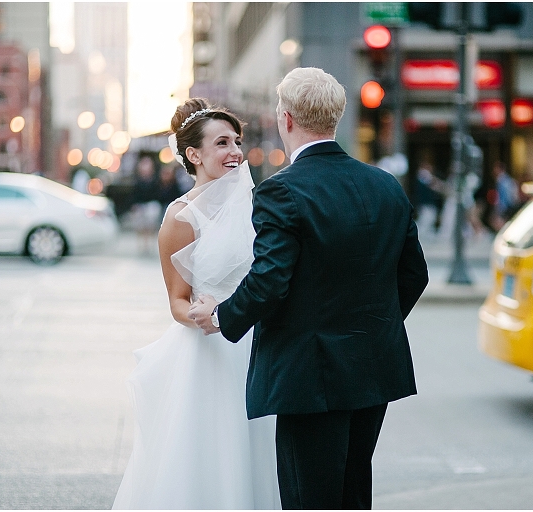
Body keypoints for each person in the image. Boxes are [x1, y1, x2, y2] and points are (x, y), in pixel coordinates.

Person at [189, 67, 429, 509]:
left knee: (309, 498)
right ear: (334, 118)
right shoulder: (385, 186)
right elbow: (415, 274)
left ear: (287, 120)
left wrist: (221, 316)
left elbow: (269, 282)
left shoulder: (281, 192)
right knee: (354, 490)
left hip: (310, 377)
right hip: (374, 366)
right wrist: (373, 327)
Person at [112, 99, 281, 510]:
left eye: (237, 142)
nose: (235, 152)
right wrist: (205, 315)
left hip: (260, 346)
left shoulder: (258, 206)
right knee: (212, 458)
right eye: (222, 143)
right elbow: (176, 300)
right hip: (211, 351)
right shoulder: (181, 218)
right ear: (194, 154)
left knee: (259, 458)